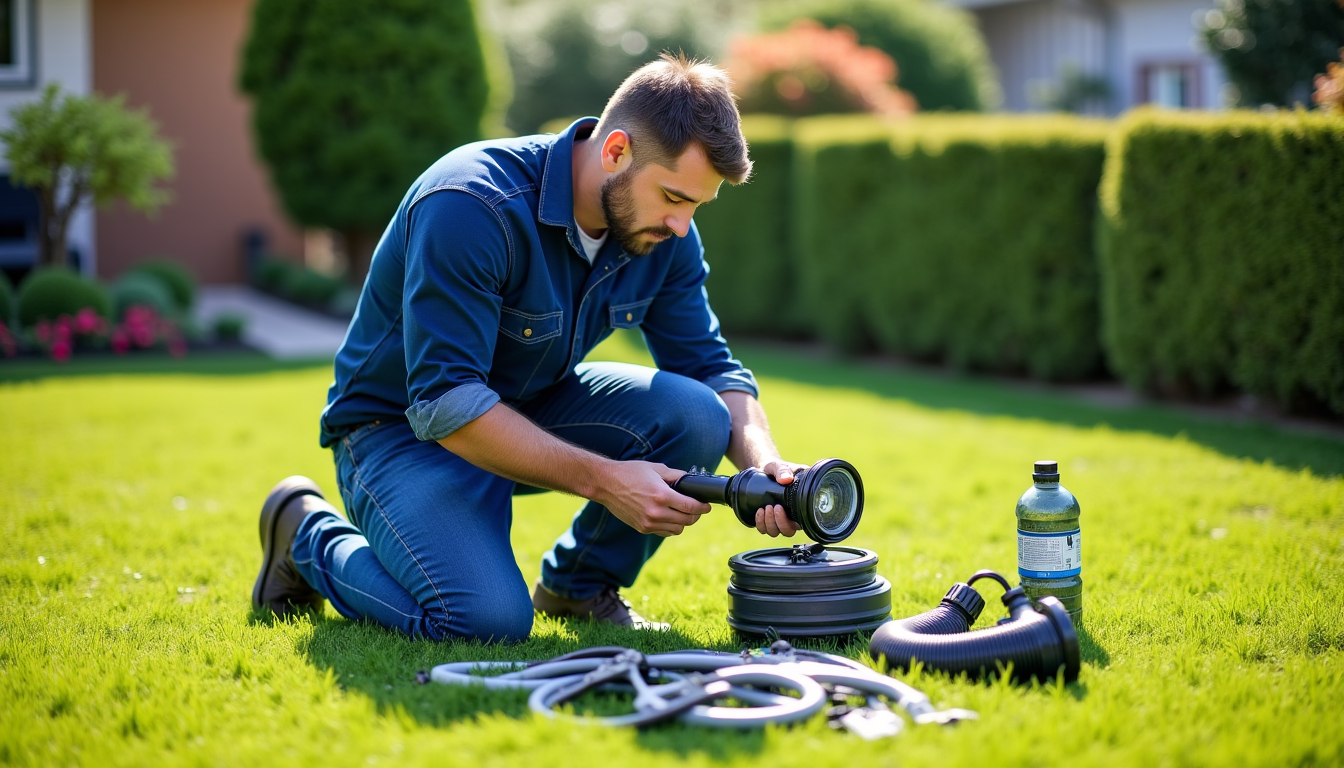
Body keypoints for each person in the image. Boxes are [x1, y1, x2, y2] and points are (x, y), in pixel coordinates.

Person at [252, 53, 807, 642]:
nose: (681, 225)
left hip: (531, 405)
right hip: (399, 431)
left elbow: (709, 366)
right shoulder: (470, 204)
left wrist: (764, 462)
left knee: (699, 414)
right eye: (673, 197)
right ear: (615, 150)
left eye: (696, 204)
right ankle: (307, 536)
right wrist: (605, 479)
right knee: (482, 622)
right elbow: (446, 401)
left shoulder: (665, 233)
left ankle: (577, 589)